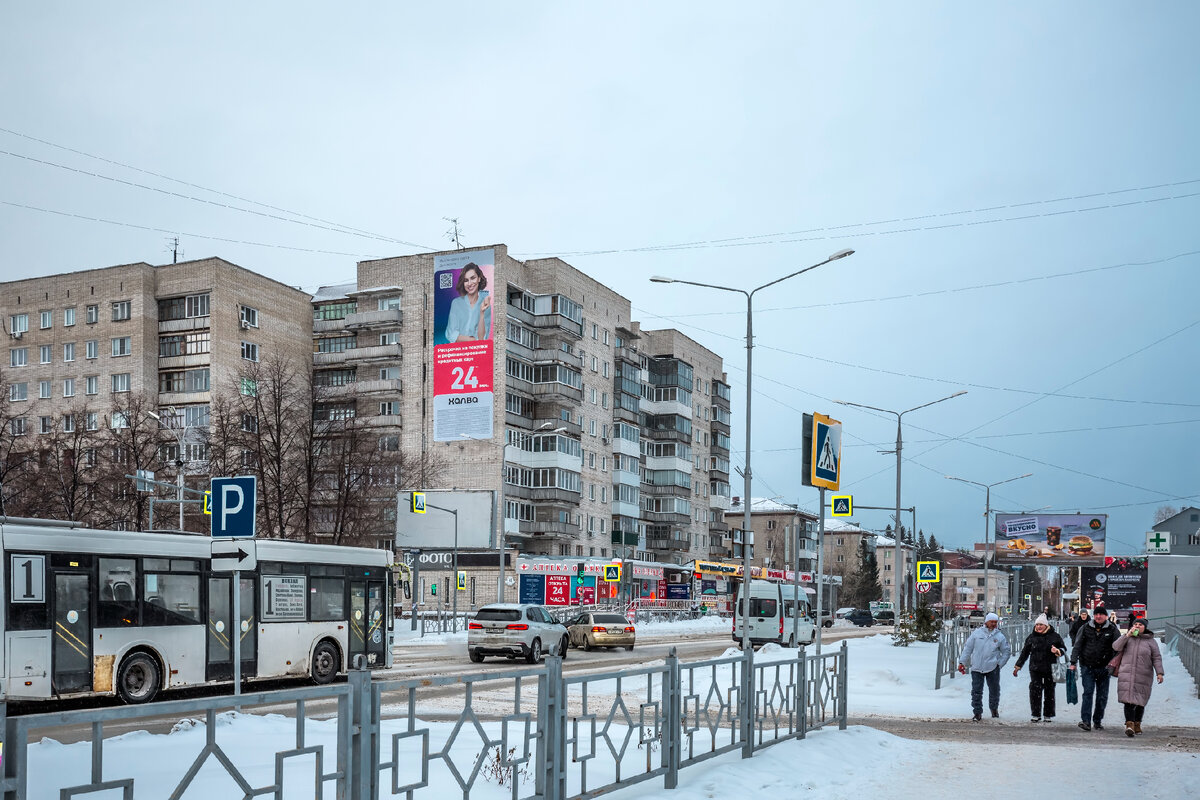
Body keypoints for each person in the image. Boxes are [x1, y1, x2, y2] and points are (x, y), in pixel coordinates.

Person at [1069, 605, 1121, 731]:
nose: (1098, 616)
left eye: (1101, 614)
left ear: (1106, 616)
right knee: (1088, 693)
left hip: (1105, 668)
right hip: (1087, 666)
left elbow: (1118, 648)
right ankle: (1086, 721)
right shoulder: (1085, 628)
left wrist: (1113, 664)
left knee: (1102, 695)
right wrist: (1073, 662)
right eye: (1096, 614)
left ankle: (1097, 720)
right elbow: (1078, 645)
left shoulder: (1113, 629)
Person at [1111, 617, 1165, 736]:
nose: (1138, 626)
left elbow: (1156, 657)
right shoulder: (1128, 638)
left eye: (1140, 624)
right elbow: (1116, 647)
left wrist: (1159, 673)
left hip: (1143, 675)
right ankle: (1129, 725)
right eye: (1136, 624)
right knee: (1128, 700)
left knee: (1140, 701)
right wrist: (1127, 635)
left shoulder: (1151, 641)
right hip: (1127, 674)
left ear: (1145, 627)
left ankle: (1137, 724)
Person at [957, 612, 1011, 721]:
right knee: (976, 691)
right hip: (977, 667)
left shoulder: (999, 636)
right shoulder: (977, 634)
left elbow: (1006, 652)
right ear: (986, 621)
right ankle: (977, 713)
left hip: (992, 667)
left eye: (995, 622)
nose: (994, 624)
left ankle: (994, 709)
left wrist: (999, 664)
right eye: (992, 622)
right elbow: (968, 649)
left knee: (994, 690)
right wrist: (962, 662)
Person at [1013, 613, 1067, 722]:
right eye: (1037, 625)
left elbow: (1063, 649)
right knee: (1035, 690)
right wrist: (1018, 666)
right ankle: (1035, 714)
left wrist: (1057, 651)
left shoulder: (1054, 636)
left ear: (1046, 626)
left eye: (1041, 625)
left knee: (1049, 691)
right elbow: (1024, 653)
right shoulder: (1031, 637)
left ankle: (1048, 714)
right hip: (1035, 668)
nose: (1038, 627)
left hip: (1050, 668)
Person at [443, 263, 492, 342]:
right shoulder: (456, 303)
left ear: (479, 278)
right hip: (456, 352)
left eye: (473, 278)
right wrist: (472, 339)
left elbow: (482, 338)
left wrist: (482, 313)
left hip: (477, 352)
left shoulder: (486, 305)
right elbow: (451, 334)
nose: (469, 283)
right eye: (466, 280)